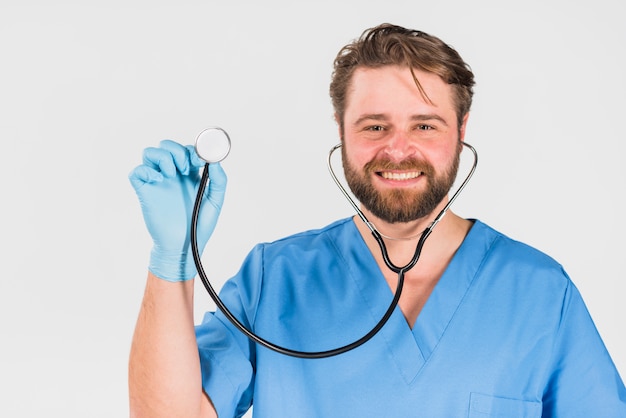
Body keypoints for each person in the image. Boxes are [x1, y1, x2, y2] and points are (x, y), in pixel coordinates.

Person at [128, 23, 626, 418]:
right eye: (375, 126)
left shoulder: (538, 291)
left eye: (424, 125)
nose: (398, 149)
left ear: (461, 131)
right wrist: (173, 259)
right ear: (342, 133)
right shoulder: (275, 279)